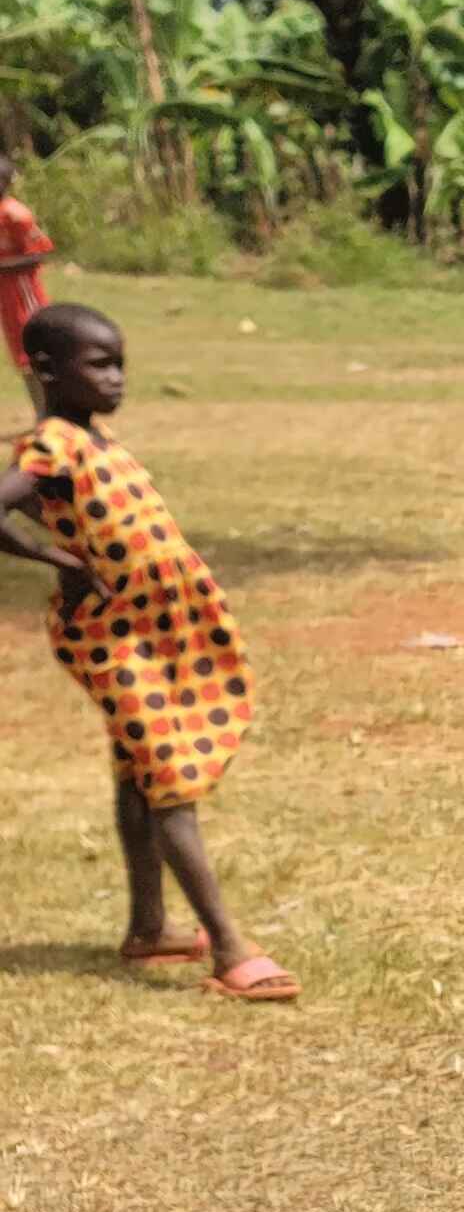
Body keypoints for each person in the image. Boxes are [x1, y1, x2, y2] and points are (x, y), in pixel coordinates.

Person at [0, 304, 291, 1001]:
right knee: (169, 776)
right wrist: (60, 562)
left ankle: (150, 928)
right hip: (111, 635)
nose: (117, 378)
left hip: (155, 626)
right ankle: (229, 948)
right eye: (100, 365)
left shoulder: (95, 443)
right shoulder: (52, 446)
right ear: (47, 371)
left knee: (139, 772)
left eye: (120, 364)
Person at [0, 156, 49, 416]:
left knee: (35, 348)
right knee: (20, 354)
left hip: (23, 293)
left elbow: (38, 254)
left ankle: (51, 412)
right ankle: (42, 412)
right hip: (5, 295)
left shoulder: (16, 214)